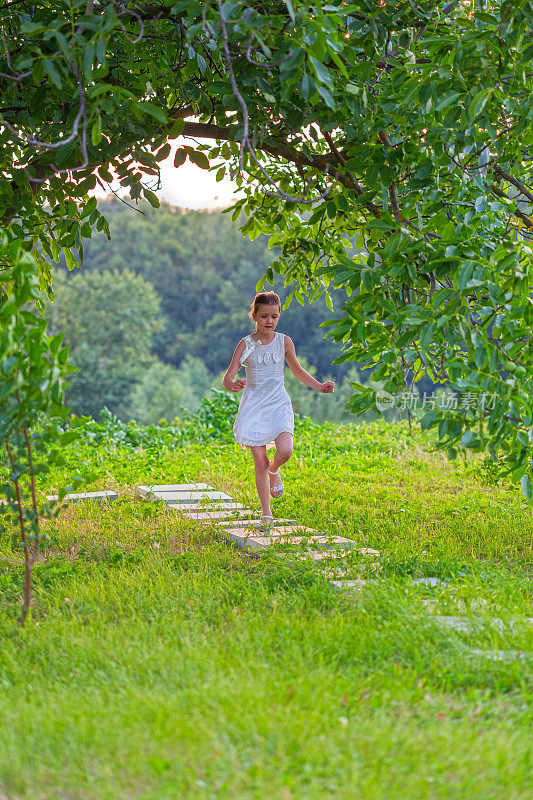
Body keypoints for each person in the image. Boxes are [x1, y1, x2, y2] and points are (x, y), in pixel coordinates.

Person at [223, 290, 335, 530]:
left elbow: (297, 370)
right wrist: (232, 385)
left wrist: (319, 386)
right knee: (259, 460)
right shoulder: (246, 343)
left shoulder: (284, 341)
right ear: (254, 315)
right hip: (253, 406)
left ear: (279, 317)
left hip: (278, 403)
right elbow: (228, 376)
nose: (269, 321)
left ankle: (275, 471)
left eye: (274, 316)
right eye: (264, 316)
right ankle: (266, 514)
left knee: (285, 450)